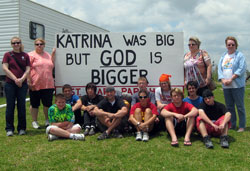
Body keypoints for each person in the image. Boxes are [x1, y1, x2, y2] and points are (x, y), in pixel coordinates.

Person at [2, 37, 30, 136]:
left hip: (22, 84)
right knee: (10, 106)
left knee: (21, 106)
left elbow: (28, 69)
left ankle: (22, 128)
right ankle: (9, 129)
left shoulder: (25, 55)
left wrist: (22, 79)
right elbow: (5, 68)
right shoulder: (7, 55)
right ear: (11, 44)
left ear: (20, 44)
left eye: (18, 43)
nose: (16, 44)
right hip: (10, 84)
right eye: (14, 43)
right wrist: (15, 79)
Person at [218, 36, 246, 132]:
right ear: (226, 46)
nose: (230, 46)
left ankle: (242, 125)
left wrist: (231, 78)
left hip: (237, 86)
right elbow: (219, 69)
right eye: (228, 44)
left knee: (240, 106)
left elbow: (241, 69)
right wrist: (222, 79)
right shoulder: (223, 56)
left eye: (232, 44)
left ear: (236, 45)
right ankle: (232, 124)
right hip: (226, 86)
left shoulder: (239, 56)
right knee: (229, 107)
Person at [28, 38, 55, 129]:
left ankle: (47, 120)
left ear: (44, 45)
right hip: (35, 83)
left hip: (48, 83)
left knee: (47, 104)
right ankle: (34, 121)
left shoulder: (47, 55)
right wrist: (29, 81)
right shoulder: (30, 55)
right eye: (37, 44)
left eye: (41, 44)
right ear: (35, 45)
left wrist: (53, 54)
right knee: (35, 104)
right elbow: (27, 69)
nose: (39, 46)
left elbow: (52, 65)